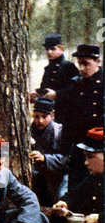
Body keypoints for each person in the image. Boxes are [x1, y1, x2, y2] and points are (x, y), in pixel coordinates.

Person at [44, 44, 104, 191]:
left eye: (86, 64)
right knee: (76, 184)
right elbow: (67, 115)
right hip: (77, 144)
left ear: (98, 62)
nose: (82, 68)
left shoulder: (102, 84)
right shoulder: (76, 84)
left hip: (99, 147)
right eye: (80, 64)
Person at [30, 34, 79, 123]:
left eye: (53, 49)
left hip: (65, 113)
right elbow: (45, 88)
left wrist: (57, 94)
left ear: (61, 49)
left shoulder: (69, 67)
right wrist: (37, 93)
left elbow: (75, 90)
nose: (49, 52)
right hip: (48, 112)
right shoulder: (48, 68)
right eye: (47, 49)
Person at [30, 97, 69, 206]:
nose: (40, 121)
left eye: (44, 116)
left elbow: (67, 159)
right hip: (36, 179)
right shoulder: (29, 131)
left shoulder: (60, 132)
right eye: (36, 117)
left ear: (52, 116)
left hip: (57, 180)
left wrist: (45, 158)